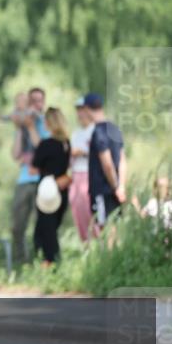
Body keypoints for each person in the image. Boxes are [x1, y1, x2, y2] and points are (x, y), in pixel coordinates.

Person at [9, 87, 48, 265]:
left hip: (42, 180)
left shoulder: (46, 123)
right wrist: (19, 128)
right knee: (17, 226)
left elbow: (42, 149)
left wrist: (31, 126)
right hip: (24, 180)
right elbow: (15, 154)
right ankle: (20, 263)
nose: (36, 105)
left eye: (40, 101)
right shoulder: (22, 125)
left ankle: (42, 263)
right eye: (32, 101)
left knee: (42, 225)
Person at [84, 93, 126, 244]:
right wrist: (121, 186)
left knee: (106, 231)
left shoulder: (98, 132)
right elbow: (122, 160)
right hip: (115, 189)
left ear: (87, 109)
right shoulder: (114, 128)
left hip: (103, 190)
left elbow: (107, 163)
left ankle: (110, 265)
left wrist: (115, 186)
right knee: (116, 230)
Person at [30, 108, 71, 265]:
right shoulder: (67, 144)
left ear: (48, 123)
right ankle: (52, 264)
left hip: (47, 192)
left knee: (43, 233)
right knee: (52, 230)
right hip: (62, 192)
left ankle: (50, 264)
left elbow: (33, 168)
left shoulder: (46, 144)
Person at [68, 98, 95, 242]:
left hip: (90, 174)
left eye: (83, 109)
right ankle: (86, 245)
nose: (80, 113)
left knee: (91, 211)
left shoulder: (95, 130)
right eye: (78, 110)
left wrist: (83, 152)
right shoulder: (75, 134)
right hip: (75, 175)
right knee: (78, 213)